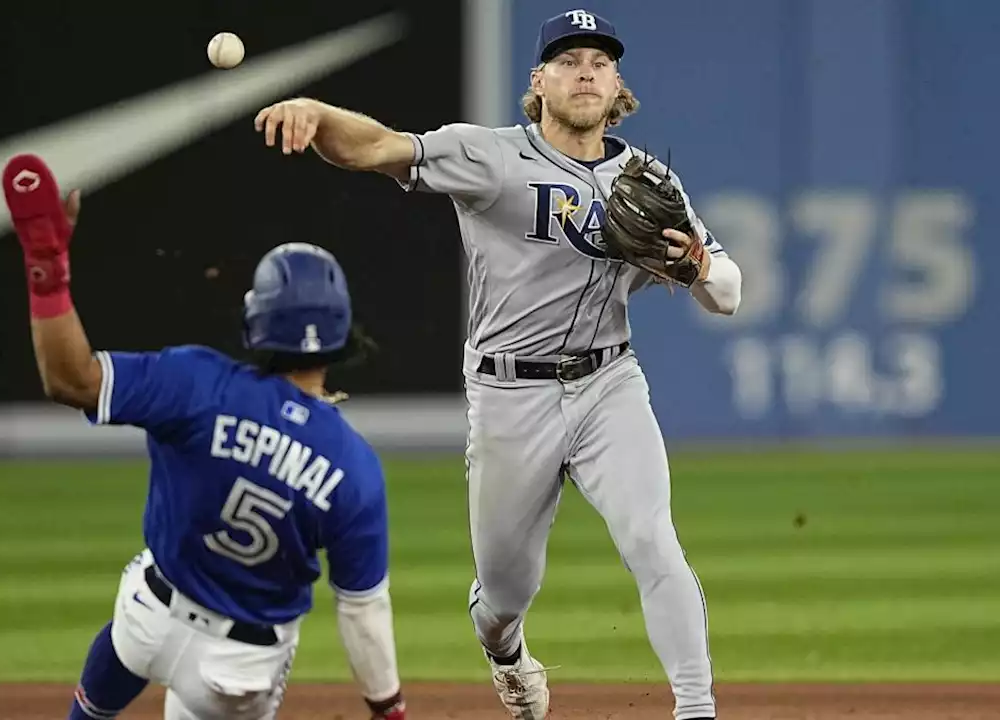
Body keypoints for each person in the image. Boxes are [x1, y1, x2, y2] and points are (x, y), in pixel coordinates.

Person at [252, 9, 740, 720]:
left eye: (599, 61)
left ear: (618, 84)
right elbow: (378, 149)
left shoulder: (648, 180)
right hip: (509, 394)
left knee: (651, 537)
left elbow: (727, 293)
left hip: (609, 382)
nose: (584, 71)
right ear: (538, 81)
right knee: (505, 594)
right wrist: (318, 112)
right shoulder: (488, 155)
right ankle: (506, 652)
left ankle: (696, 708)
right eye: (568, 60)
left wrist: (698, 264)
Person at [0, 152, 407, 720]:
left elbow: (69, 380)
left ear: (256, 320)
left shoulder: (195, 382)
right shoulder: (352, 466)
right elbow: (362, 610)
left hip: (149, 614)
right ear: (342, 334)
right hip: (238, 666)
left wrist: (48, 269)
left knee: (124, 638)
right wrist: (388, 709)